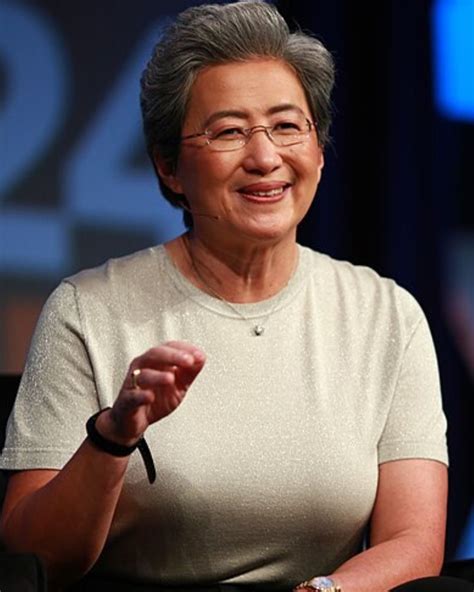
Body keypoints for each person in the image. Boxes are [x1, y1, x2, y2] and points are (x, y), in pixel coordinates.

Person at [0, 2, 450, 591]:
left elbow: (412, 542)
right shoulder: (88, 311)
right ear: (169, 167)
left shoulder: (386, 315)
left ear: (318, 151)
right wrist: (112, 437)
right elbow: (31, 558)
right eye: (229, 132)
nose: (264, 158)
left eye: (287, 127)